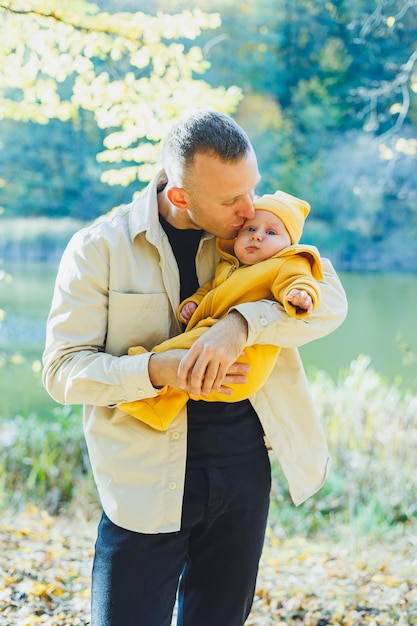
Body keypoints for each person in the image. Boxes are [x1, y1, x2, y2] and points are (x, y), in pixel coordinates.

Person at [42, 109, 347, 626]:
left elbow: (328, 302)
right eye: (232, 200)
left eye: (251, 188)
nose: (250, 209)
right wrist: (158, 371)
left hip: (243, 471)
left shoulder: (256, 234)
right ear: (180, 196)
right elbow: (61, 371)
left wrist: (240, 325)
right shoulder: (98, 248)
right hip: (144, 481)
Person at [119, 189, 325, 431]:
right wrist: (193, 304)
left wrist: (300, 295)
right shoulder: (229, 266)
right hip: (219, 354)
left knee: (173, 352)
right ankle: (157, 399)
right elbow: (209, 289)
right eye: (250, 229)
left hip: (244, 360)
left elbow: (300, 280)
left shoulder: (285, 263)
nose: (257, 236)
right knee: (178, 359)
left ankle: (141, 386)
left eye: (270, 232)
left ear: (288, 245)